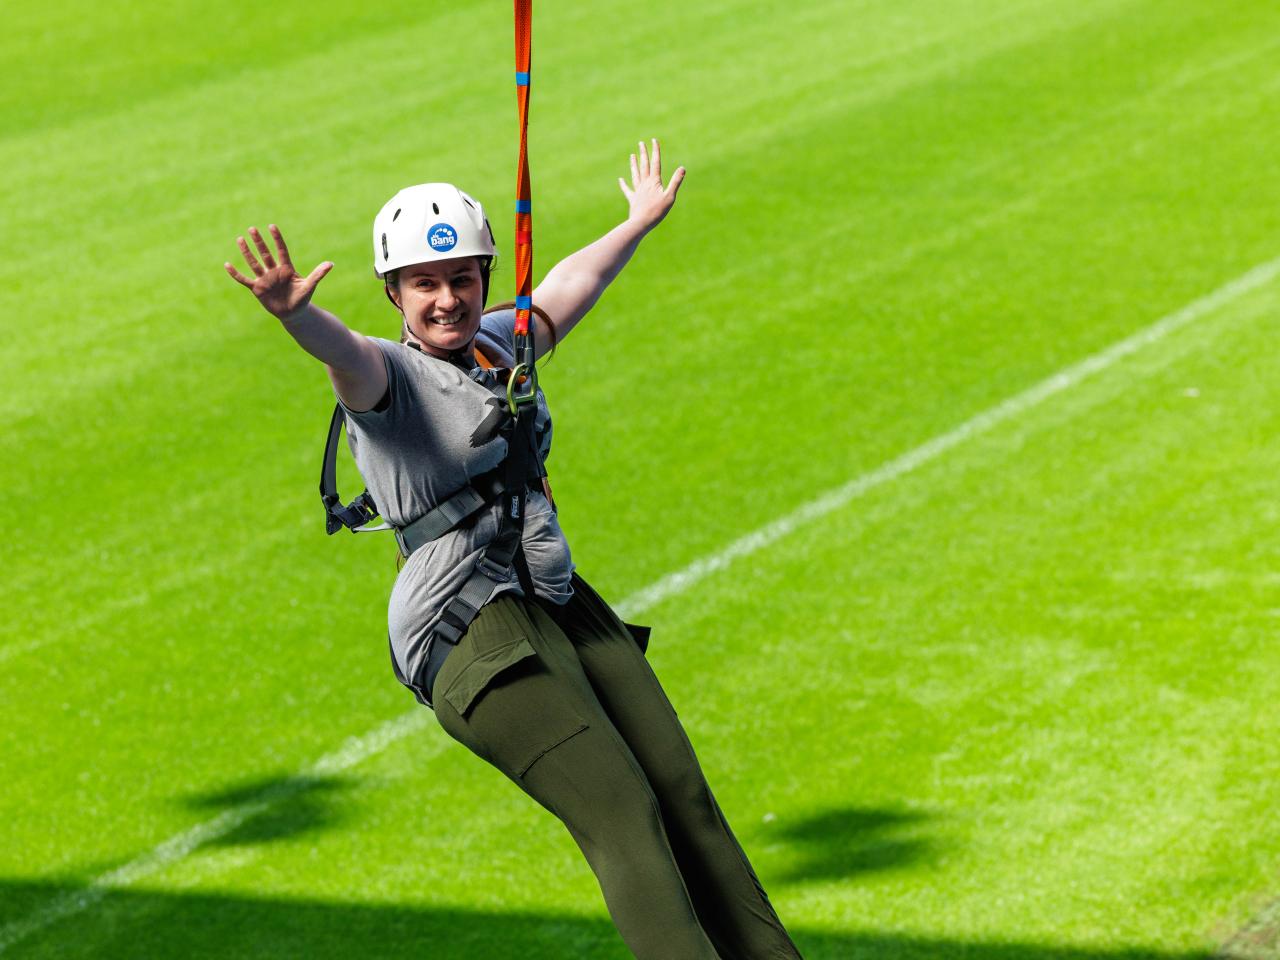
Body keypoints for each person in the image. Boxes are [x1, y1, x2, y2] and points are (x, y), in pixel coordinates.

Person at [224, 140, 803, 960]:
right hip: (464, 629)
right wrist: (294, 315)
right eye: (425, 283)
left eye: (463, 277)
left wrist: (634, 223)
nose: (447, 300)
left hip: (549, 594)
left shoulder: (501, 344)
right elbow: (342, 353)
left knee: (683, 796)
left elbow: (569, 287)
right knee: (621, 814)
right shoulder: (386, 379)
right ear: (393, 292)